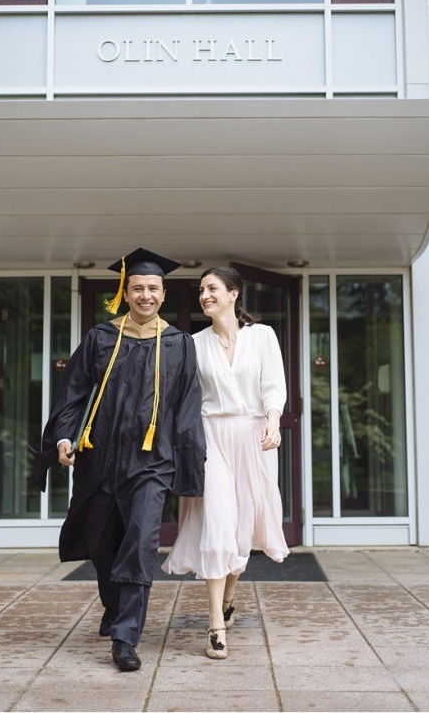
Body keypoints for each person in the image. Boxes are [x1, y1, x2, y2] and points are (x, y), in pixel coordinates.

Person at [33, 248, 207, 672]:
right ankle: (113, 607)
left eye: (152, 288)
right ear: (125, 292)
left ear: (163, 294)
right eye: (138, 288)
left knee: (142, 540)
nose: (145, 295)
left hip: (151, 461)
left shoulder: (178, 344)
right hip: (98, 457)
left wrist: (189, 467)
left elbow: (187, 408)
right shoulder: (100, 338)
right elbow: (72, 394)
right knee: (101, 542)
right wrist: (62, 439)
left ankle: (126, 636)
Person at [162, 266, 289, 660]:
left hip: (254, 438)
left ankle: (230, 596)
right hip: (210, 436)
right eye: (201, 290)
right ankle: (216, 623)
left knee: (243, 525)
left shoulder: (263, 336)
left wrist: (273, 422)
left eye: (212, 288)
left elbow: (274, 385)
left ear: (234, 294)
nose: (204, 295)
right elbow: (181, 397)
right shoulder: (193, 344)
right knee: (217, 520)